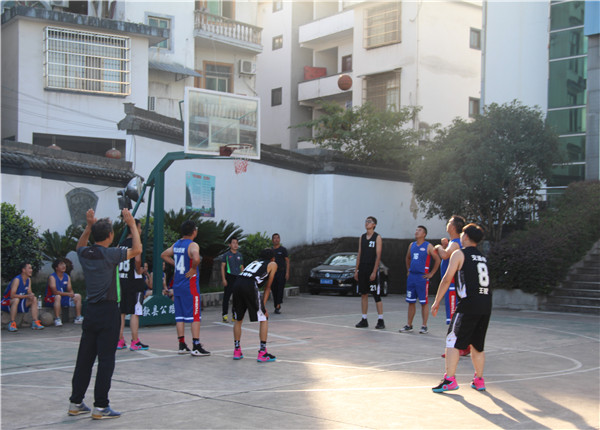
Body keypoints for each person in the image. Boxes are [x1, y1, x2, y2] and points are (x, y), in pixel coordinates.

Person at [68, 208, 141, 419]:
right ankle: (100, 406)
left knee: (84, 359)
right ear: (109, 236)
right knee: (106, 360)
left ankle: (75, 402)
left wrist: (89, 226)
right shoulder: (110, 254)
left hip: (91, 310)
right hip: (108, 310)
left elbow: (79, 245)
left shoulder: (85, 253)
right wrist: (132, 225)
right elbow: (137, 249)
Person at [430, 223, 492, 393]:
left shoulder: (459, 254)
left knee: (452, 340)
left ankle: (449, 379)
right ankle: (479, 380)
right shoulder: (483, 257)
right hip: (485, 304)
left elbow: (446, 279)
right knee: (477, 345)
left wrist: (436, 301)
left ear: (466, 237)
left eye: (463, 234)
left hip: (468, 304)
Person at [161, 220, 210, 357]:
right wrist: (193, 268)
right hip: (190, 286)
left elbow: (163, 254)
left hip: (177, 285)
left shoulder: (177, 244)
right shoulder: (192, 245)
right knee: (195, 316)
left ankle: (182, 344)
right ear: (194, 231)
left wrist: (175, 263)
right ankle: (196, 345)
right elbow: (196, 258)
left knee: (180, 317)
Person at [231, 248, 277, 362]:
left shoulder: (255, 262)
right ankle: (262, 352)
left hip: (237, 283)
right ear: (272, 258)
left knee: (238, 319)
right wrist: (263, 307)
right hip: (250, 285)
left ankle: (237, 351)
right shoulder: (272, 264)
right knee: (264, 318)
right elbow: (268, 287)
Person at [435, 215, 470, 358]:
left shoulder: (455, 243)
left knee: (453, 317)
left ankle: (456, 347)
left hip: (452, 285)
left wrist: (438, 247)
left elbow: (444, 255)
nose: (447, 224)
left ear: (454, 227)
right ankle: (464, 345)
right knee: (457, 317)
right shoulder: (455, 243)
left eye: (449, 222)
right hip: (455, 284)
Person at [400, 225, 440, 334]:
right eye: (416, 229)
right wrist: (408, 270)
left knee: (423, 302)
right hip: (412, 277)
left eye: (419, 230)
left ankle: (424, 326)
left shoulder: (428, 246)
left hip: (422, 278)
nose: (417, 231)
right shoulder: (411, 245)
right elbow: (408, 258)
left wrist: (431, 273)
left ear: (424, 234)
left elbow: (437, 260)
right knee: (411, 301)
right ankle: (409, 325)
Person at [117, 219, 149, 351]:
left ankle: (119, 341)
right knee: (135, 311)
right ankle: (135, 341)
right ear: (134, 229)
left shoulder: (121, 244)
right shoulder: (136, 243)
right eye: (139, 228)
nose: (140, 231)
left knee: (122, 312)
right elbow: (137, 259)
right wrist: (139, 269)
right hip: (134, 282)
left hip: (122, 280)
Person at [354, 216, 385, 329]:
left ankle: (380, 320)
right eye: (366, 221)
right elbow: (359, 253)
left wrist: (374, 271)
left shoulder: (377, 237)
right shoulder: (362, 237)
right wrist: (356, 270)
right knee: (364, 294)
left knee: (376, 295)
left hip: (372, 268)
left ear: (374, 224)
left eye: (369, 221)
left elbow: (378, 255)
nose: (367, 223)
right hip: (362, 268)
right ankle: (364, 319)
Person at [2, 263, 44, 331]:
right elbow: (12, 295)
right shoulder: (17, 280)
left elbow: (29, 291)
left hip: (19, 302)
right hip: (7, 302)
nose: (31, 270)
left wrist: (31, 295)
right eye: (29, 268)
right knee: (16, 300)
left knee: (34, 299)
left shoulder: (28, 279)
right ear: (23, 270)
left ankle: (35, 322)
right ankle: (12, 323)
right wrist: (27, 296)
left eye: (31, 268)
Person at [44, 258, 84, 326]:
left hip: (63, 297)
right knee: (58, 297)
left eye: (64, 264)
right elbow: (55, 292)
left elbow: (70, 289)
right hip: (51, 299)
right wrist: (68, 294)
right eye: (61, 264)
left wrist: (72, 294)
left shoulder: (66, 276)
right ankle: (57, 319)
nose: (64, 266)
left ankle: (78, 317)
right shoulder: (52, 277)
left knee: (78, 296)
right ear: (56, 268)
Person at [220, 237, 244, 322]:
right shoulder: (226, 255)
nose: (235, 245)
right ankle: (225, 314)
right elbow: (222, 267)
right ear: (229, 245)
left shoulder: (240, 255)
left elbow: (241, 267)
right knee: (226, 297)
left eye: (236, 243)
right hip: (229, 277)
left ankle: (235, 314)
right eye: (233, 243)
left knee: (236, 297)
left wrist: (243, 278)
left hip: (238, 277)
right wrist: (223, 279)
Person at [271, 233, 289, 314]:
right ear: (272, 240)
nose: (276, 239)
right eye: (274, 238)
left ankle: (278, 305)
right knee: (274, 289)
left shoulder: (283, 250)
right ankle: (276, 304)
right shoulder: (271, 250)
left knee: (280, 289)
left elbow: (287, 261)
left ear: (279, 239)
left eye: (277, 238)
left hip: (281, 272)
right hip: (273, 273)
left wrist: (287, 272)